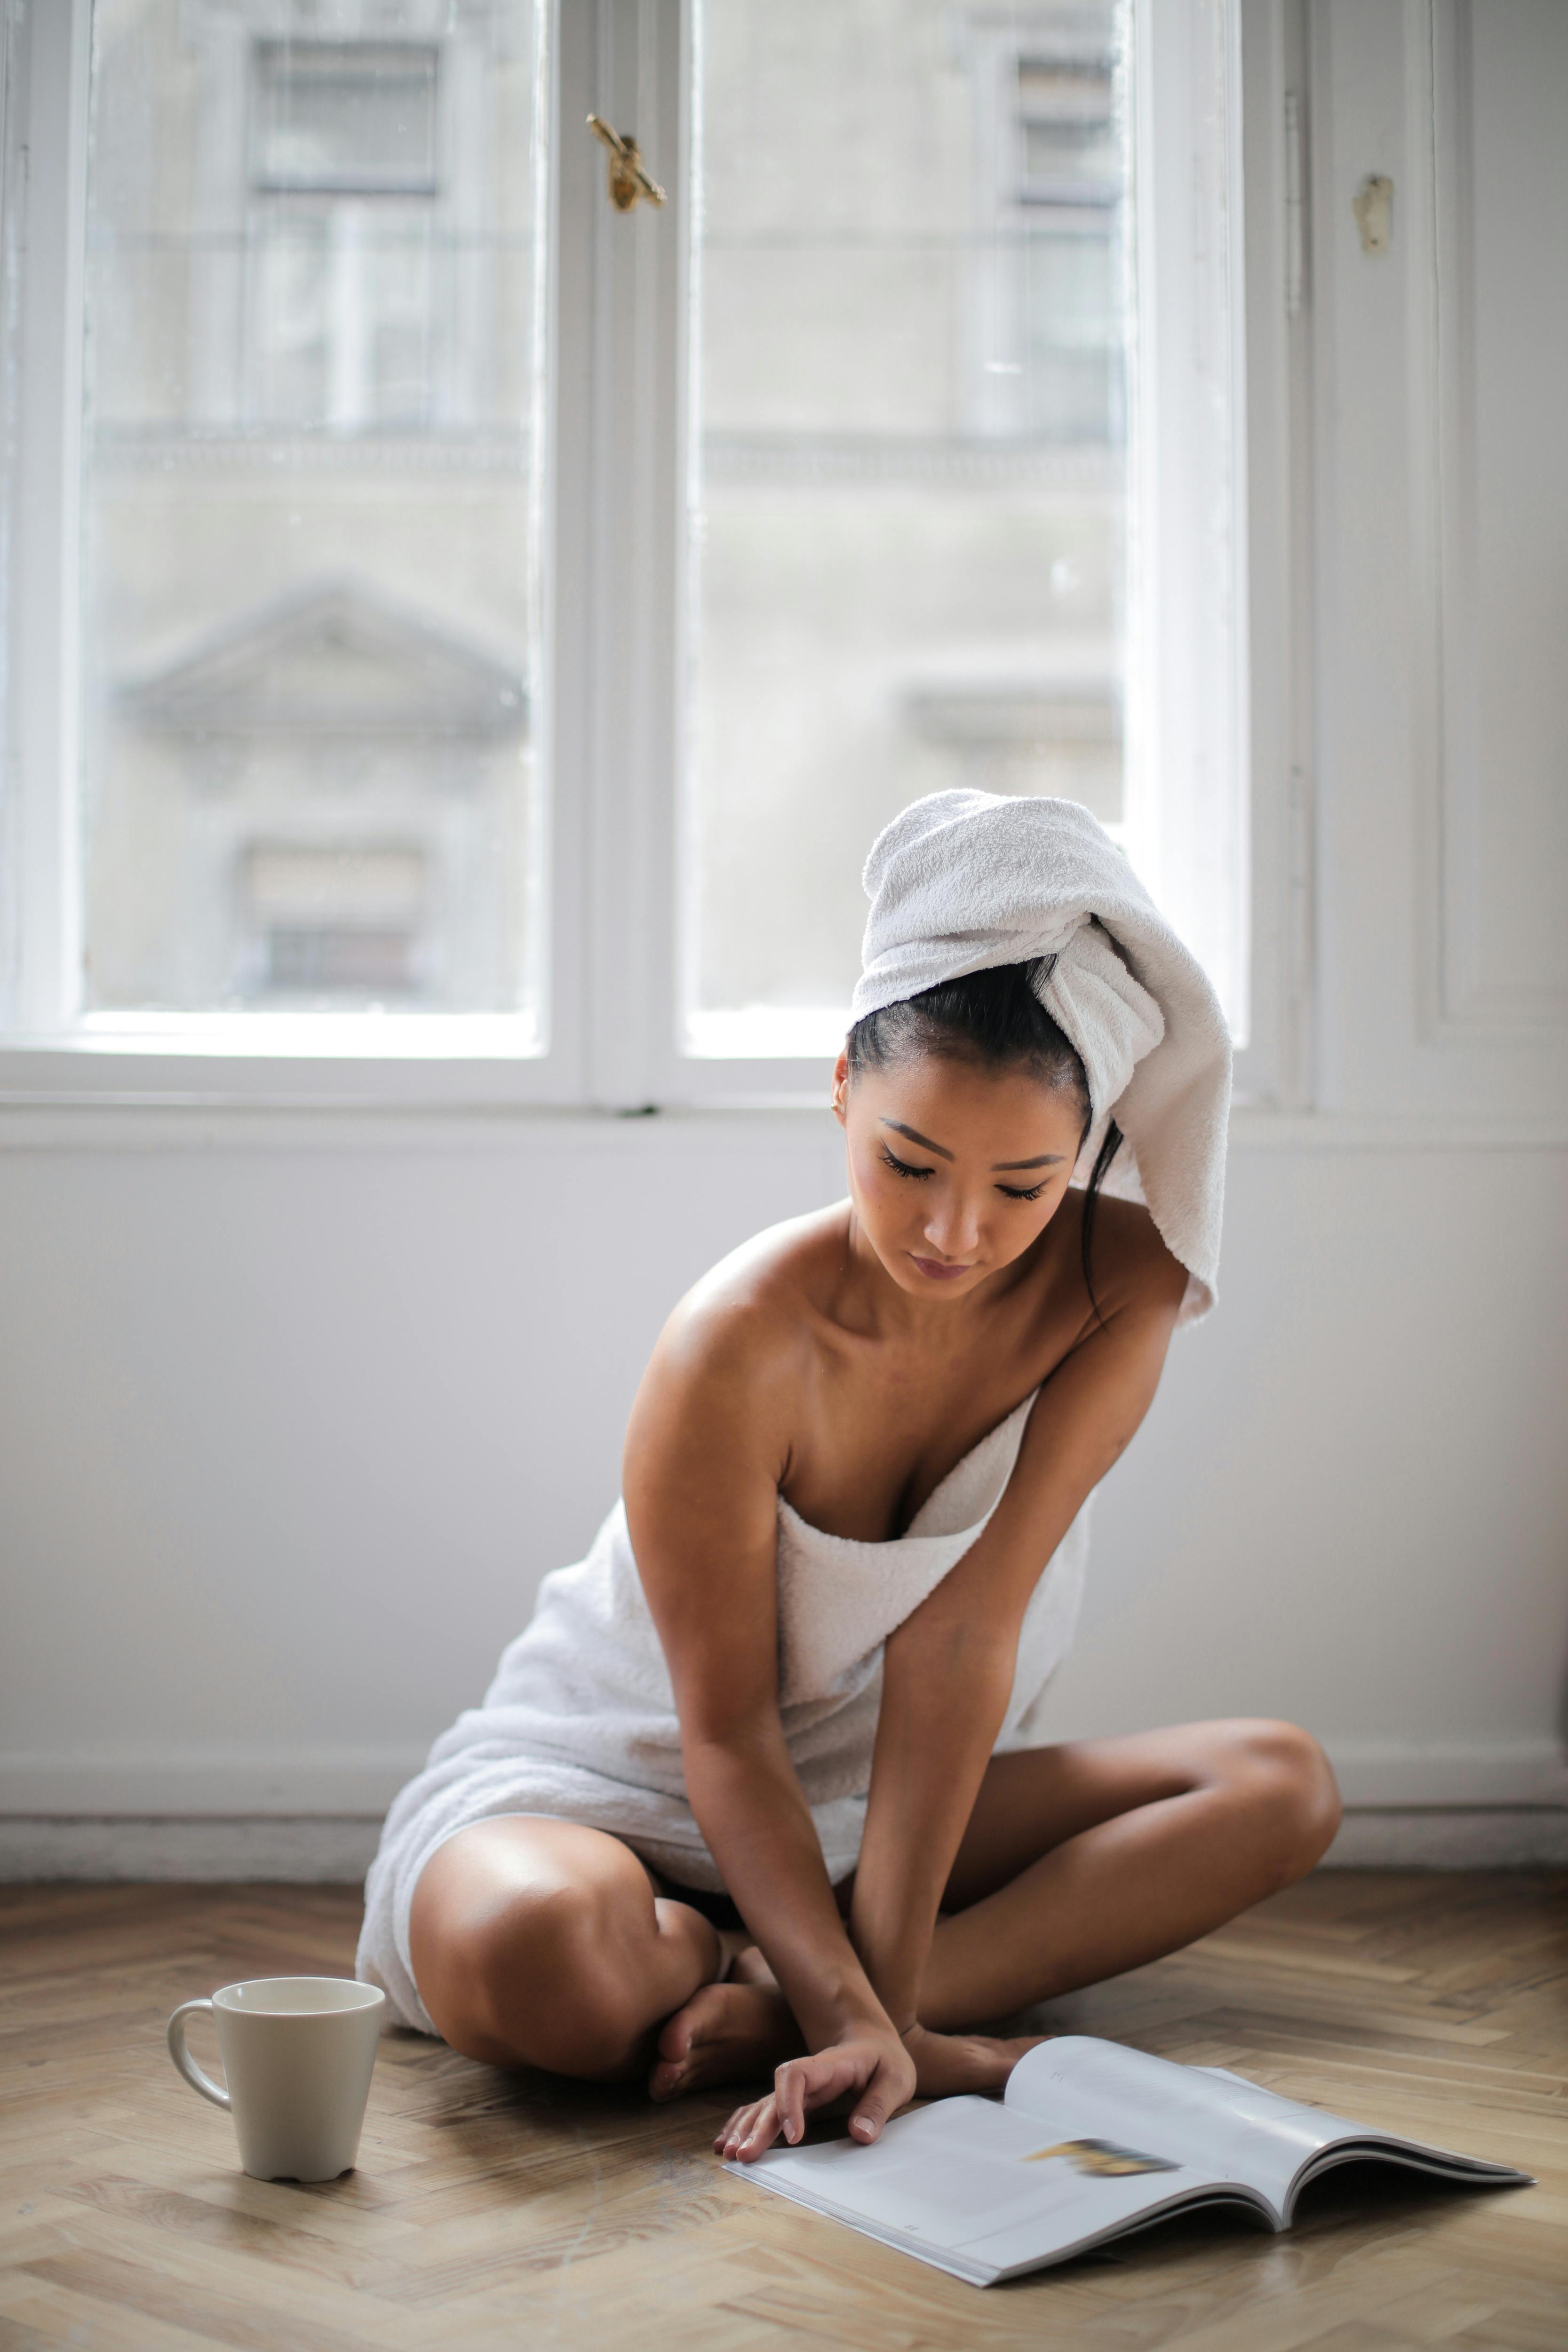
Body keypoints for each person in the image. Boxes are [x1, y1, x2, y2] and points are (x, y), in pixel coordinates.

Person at [356, 792, 1341, 2166]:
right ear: (841, 1088)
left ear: (1091, 1157)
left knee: (1278, 1785)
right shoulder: (734, 1345)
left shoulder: (1128, 1288)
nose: (957, 1231)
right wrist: (851, 1994)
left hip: (865, 1814)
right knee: (546, 1960)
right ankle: (828, 1987)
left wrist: (843, 2008)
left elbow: (963, 1641)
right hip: (610, 1788)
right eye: (910, 1162)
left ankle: (811, 2008)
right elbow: (725, 1738)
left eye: (1025, 1186)